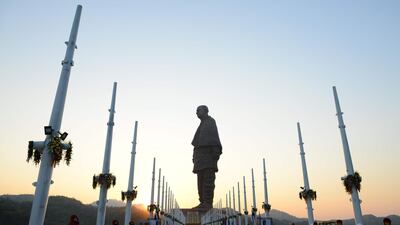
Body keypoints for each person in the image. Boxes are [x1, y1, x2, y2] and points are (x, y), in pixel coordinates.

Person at [191, 105, 222, 210]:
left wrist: (215, 154)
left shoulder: (210, 122)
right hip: (200, 159)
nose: (196, 112)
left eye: (198, 110)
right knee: (200, 182)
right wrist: (194, 156)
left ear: (205, 111)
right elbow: (196, 144)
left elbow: (214, 138)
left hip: (208, 157)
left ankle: (207, 203)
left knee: (208, 181)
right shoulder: (201, 124)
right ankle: (202, 202)